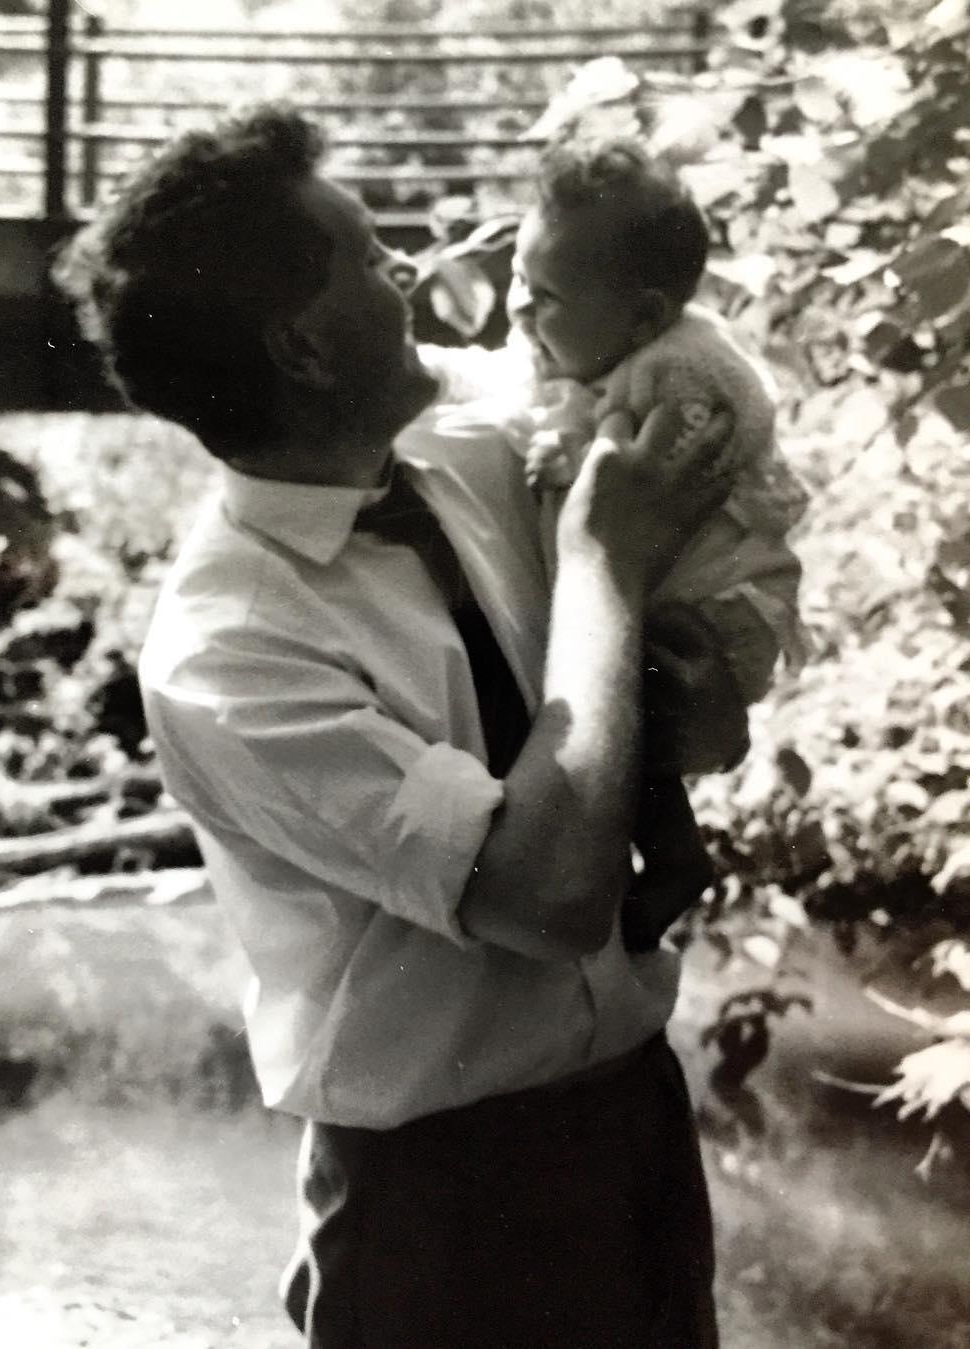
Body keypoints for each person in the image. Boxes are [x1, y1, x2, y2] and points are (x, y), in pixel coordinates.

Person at [54, 104, 745, 1347]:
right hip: (440, 1207)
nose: (415, 272)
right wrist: (601, 571)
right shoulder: (227, 652)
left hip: (638, 1121)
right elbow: (546, 897)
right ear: (305, 347)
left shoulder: (482, 435)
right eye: (374, 257)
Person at [424, 130, 806, 951]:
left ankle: (675, 856)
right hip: (673, 591)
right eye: (519, 280)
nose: (520, 307)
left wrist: (571, 451)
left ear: (645, 315)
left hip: (718, 603)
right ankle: (677, 853)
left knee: (610, 688)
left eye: (548, 295)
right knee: (612, 694)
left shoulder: (683, 374)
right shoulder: (608, 349)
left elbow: (643, 485)